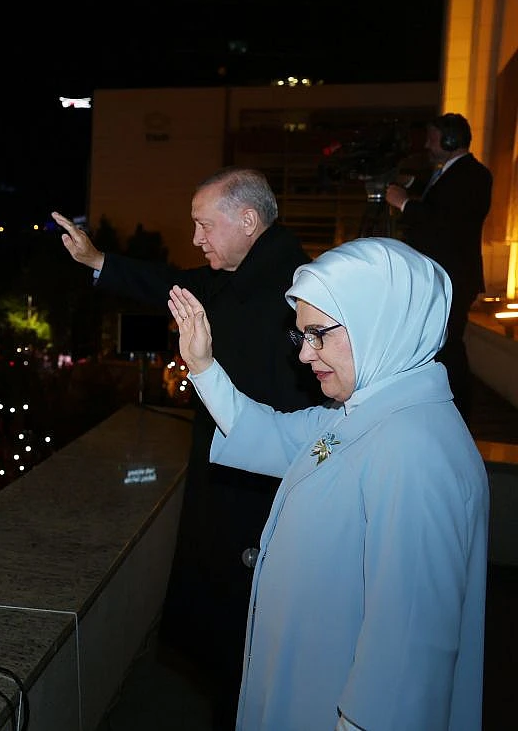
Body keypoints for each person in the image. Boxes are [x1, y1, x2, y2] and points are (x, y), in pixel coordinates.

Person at [168, 237, 488, 731]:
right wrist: (204, 366)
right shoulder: (367, 411)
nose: (304, 355)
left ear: (379, 323)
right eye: (302, 336)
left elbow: (406, 661)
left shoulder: (415, 451)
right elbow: (270, 433)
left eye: (318, 334)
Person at [52, 167, 322, 727]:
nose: (196, 239)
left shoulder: (295, 291)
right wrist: (98, 261)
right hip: (229, 475)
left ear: (249, 221)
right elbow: (170, 284)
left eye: (204, 225)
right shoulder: (240, 274)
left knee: (244, 630)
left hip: (262, 491)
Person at [383, 113, 492, 420]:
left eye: (432, 139)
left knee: (448, 347)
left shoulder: (474, 175)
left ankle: (458, 414)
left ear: (450, 140)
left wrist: (405, 204)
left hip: (454, 278)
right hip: (442, 276)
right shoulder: (450, 173)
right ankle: (439, 410)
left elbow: (447, 222)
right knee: (439, 346)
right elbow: (440, 205)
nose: (428, 146)